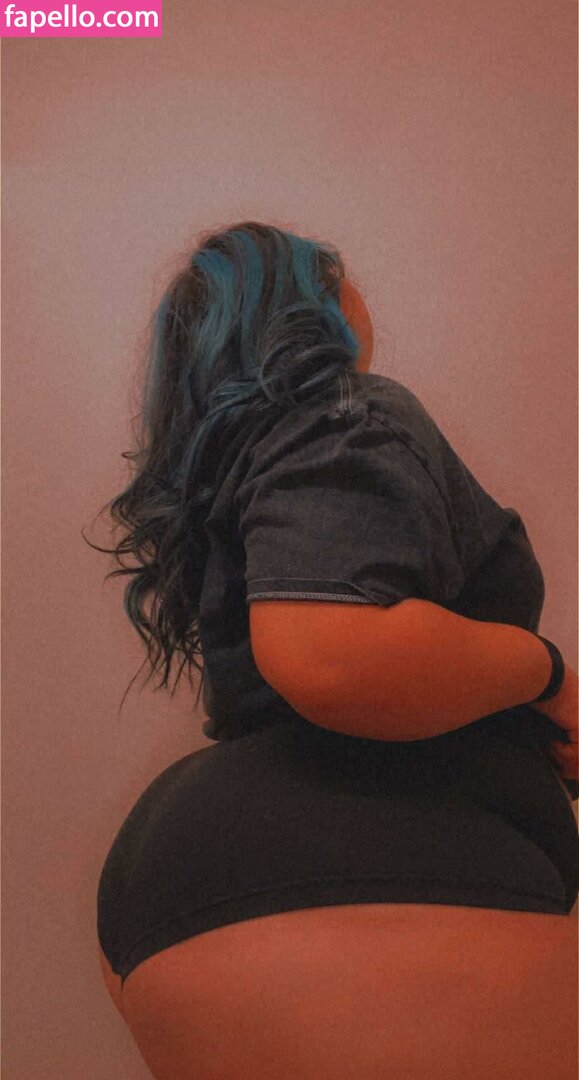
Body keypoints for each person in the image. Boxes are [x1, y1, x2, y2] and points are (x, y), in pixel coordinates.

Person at [93, 222, 578, 1079]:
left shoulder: (233, 467)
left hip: (187, 884)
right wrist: (547, 675)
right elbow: (330, 652)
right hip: (390, 850)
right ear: (314, 305)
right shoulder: (343, 412)